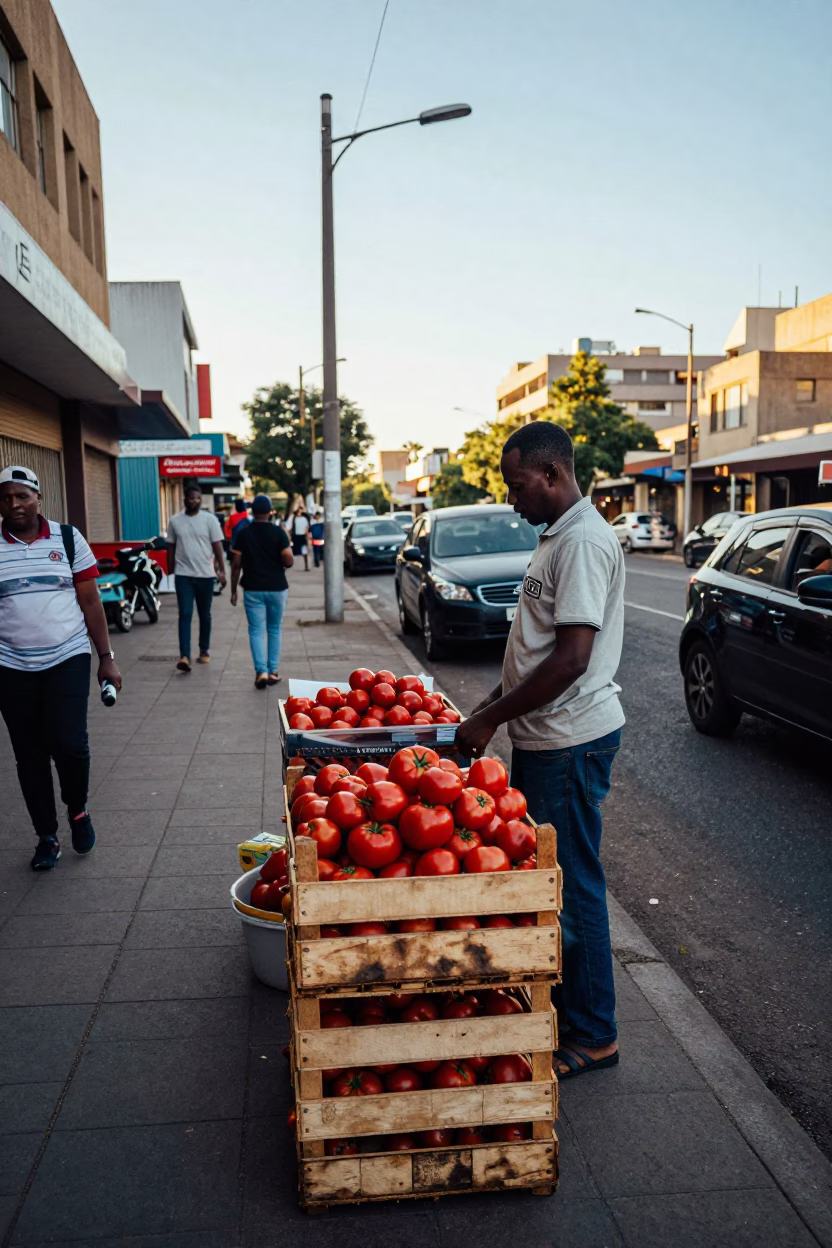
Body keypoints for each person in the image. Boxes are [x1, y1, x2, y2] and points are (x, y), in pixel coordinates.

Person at [454, 421, 625, 1082]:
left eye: (518, 484)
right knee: (558, 882)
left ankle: (594, 1034)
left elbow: (573, 659)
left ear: (552, 475)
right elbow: (537, 651)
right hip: (549, 737)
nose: (512, 498)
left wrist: (492, 717)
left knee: (572, 886)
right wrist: (490, 711)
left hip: (569, 743)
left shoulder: (581, 541)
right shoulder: (558, 535)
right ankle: (577, 1018)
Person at [0, 465, 123, 870]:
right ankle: (47, 836)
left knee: (70, 744)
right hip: (11, 665)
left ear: (38, 497)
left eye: (21, 496)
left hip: (67, 656)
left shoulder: (68, 539)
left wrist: (105, 659)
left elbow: (90, 602)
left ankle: (78, 810)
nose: (13, 504)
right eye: (5, 498)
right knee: (29, 755)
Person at [230, 494, 293, 689]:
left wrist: (233, 591)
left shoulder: (244, 534)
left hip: (252, 589)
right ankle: (273, 672)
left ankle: (261, 672)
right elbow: (289, 560)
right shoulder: (279, 533)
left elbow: (236, 565)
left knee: (256, 631)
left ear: (252, 511)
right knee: (274, 629)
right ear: (270, 511)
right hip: (276, 588)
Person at [167, 484, 226, 672]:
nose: (194, 501)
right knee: (184, 614)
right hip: (183, 575)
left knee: (204, 615)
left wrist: (222, 571)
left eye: (197, 498)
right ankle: (184, 655)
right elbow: (171, 547)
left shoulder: (210, 520)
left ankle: (204, 650)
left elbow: (217, 546)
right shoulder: (175, 521)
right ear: (184, 499)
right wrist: (170, 570)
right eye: (191, 498)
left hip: (205, 576)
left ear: (201, 500)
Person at [290, 505, 310, 571]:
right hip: (295, 536)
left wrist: (307, 536)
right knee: (293, 551)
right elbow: (290, 527)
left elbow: (306, 528)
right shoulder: (293, 518)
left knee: (304, 551)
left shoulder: (304, 519)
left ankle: (306, 566)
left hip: (302, 536)